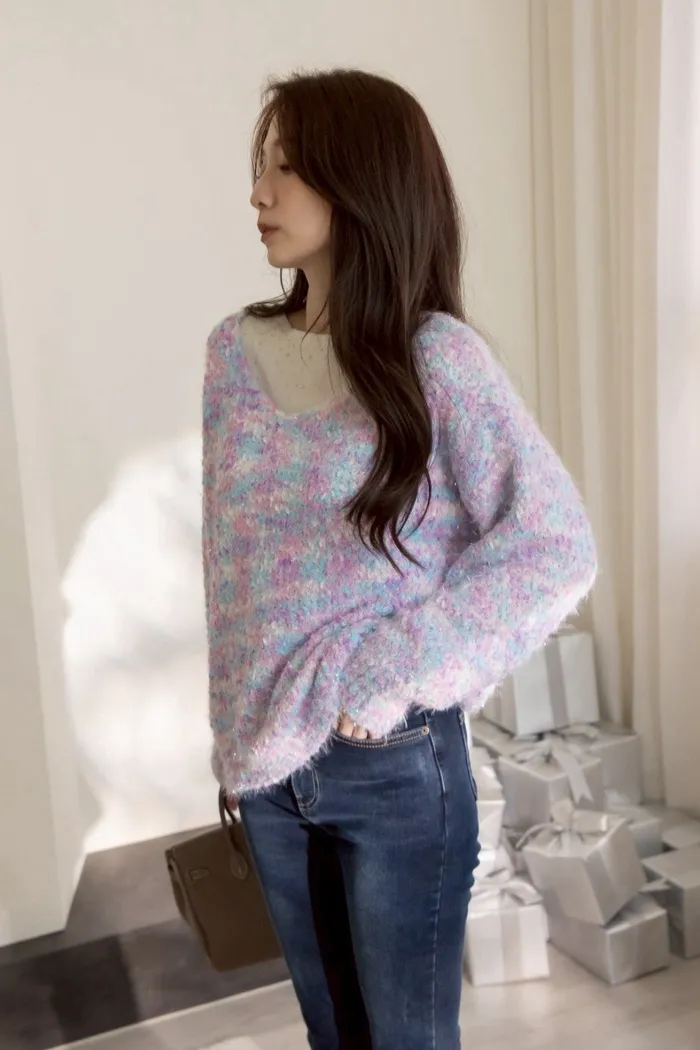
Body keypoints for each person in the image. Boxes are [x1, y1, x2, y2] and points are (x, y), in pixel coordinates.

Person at [202, 68, 597, 1050]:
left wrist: (387, 671)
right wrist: (233, 733)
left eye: (285, 169)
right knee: (331, 1035)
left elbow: (554, 544)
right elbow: (229, 574)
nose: (258, 193)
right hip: (269, 767)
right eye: (261, 167)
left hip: (394, 761)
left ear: (359, 183)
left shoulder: (437, 358)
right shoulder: (231, 356)